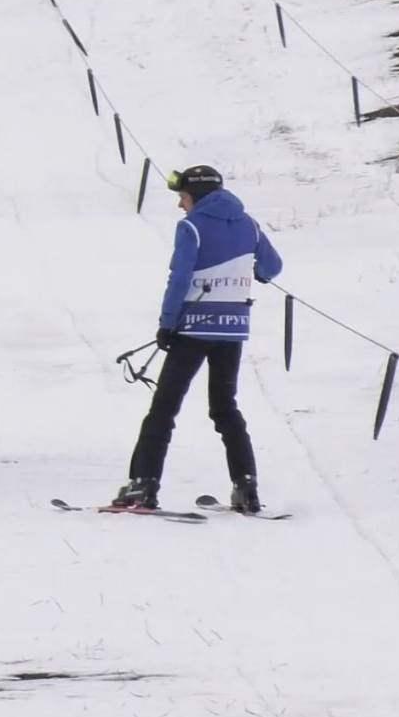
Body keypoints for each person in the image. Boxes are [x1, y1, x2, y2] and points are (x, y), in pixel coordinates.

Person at [113, 165, 283, 514]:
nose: (181, 205)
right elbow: (272, 267)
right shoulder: (248, 224)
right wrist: (255, 274)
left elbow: (180, 279)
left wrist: (166, 324)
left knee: (163, 409)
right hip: (232, 328)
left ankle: (142, 486)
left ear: (197, 197)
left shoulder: (191, 227)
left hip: (192, 328)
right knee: (225, 408)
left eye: (183, 197)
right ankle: (246, 487)